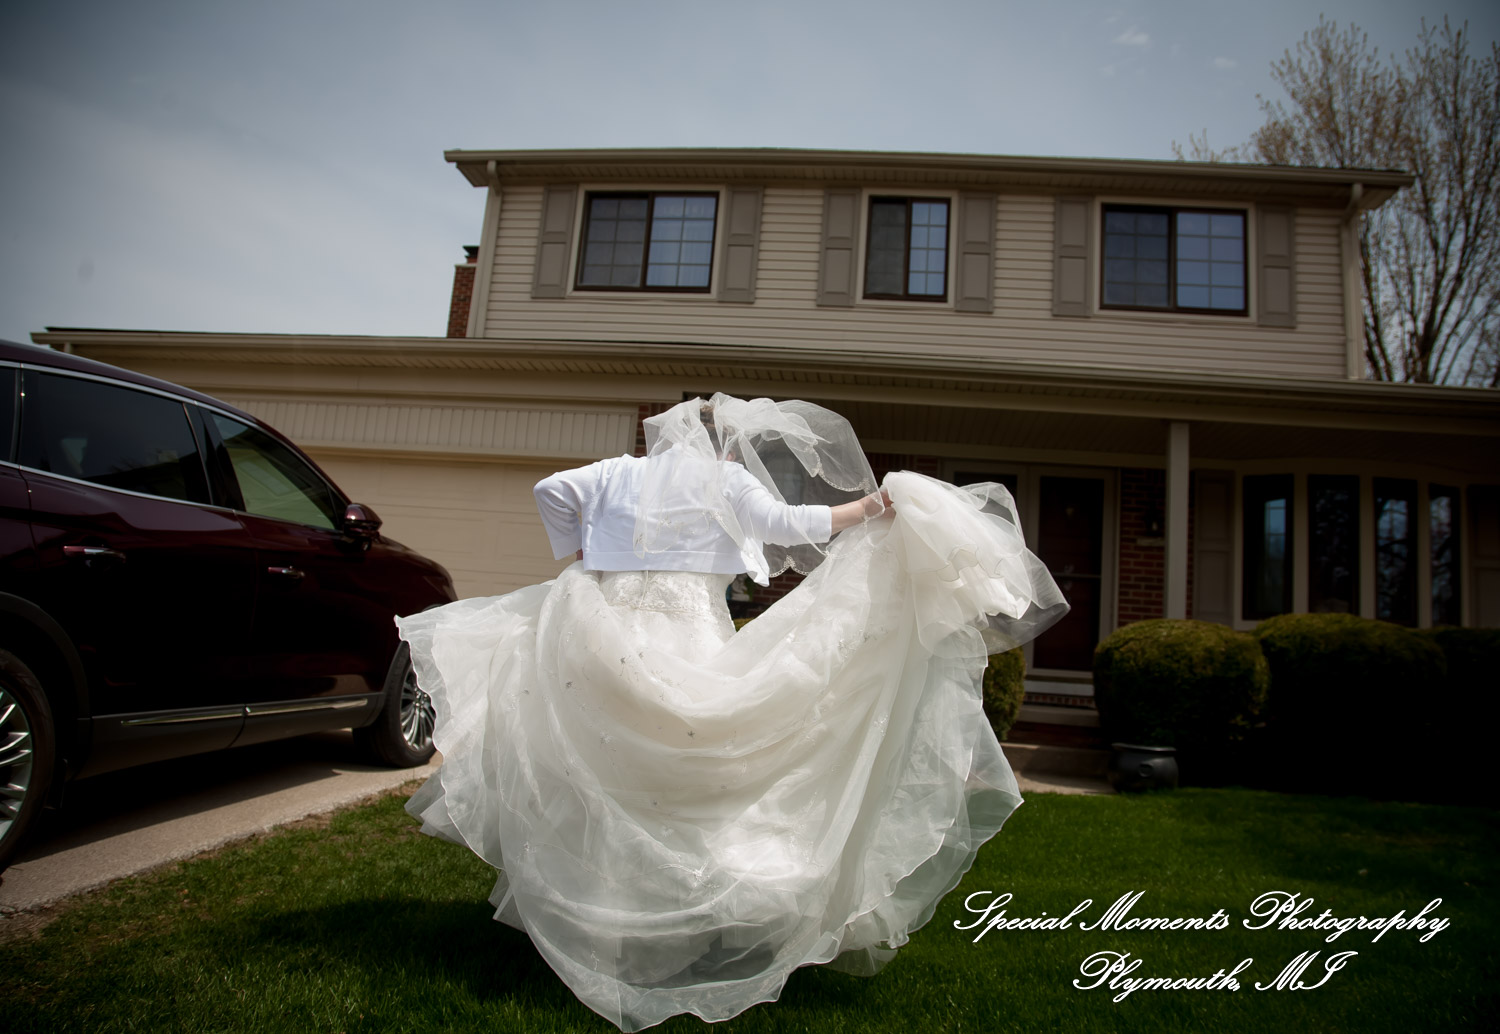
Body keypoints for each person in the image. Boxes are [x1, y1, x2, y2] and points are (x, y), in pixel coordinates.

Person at [397, 394, 1069, 1031]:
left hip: (595, 625)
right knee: (694, 777)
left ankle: (610, 917)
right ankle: (682, 914)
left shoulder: (618, 472)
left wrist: (580, 548)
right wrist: (869, 507)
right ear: (724, 449)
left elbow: (553, 491)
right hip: (687, 629)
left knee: (595, 769)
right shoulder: (726, 485)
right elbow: (795, 525)